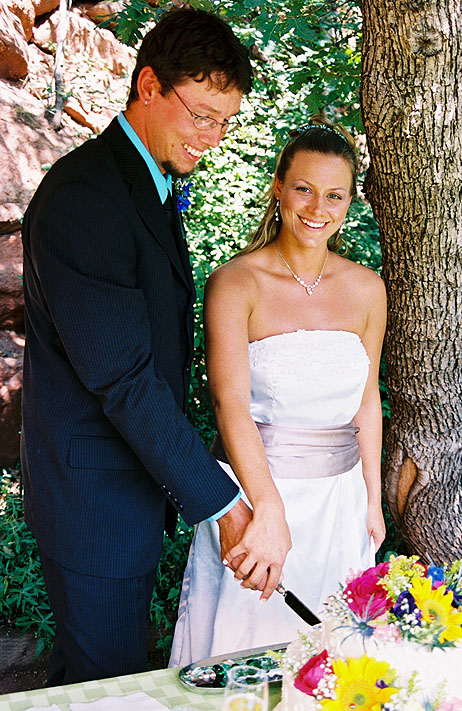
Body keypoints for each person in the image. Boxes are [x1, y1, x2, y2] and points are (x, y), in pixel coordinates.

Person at [21, 7, 291, 686]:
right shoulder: (86, 195)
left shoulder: (145, 180)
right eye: (201, 115)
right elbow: (126, 379)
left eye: (225, 122)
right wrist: (225, 504)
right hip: (94, 505)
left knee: (90, 681)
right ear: (148, 85)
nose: (212, 138)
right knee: (106, 686)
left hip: (123, 492)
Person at [169, 115, 387, 666]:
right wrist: (266, 510)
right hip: (256, 497)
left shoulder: (368, 289)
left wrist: (372, 501)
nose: (318, 208)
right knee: (244, 655)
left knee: (336, 661)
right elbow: (230, 405)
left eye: (335, 195)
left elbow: (366, 400)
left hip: (340, 505)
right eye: (304, 189)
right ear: (278, 188)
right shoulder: (235, 282)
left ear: (350, 202)